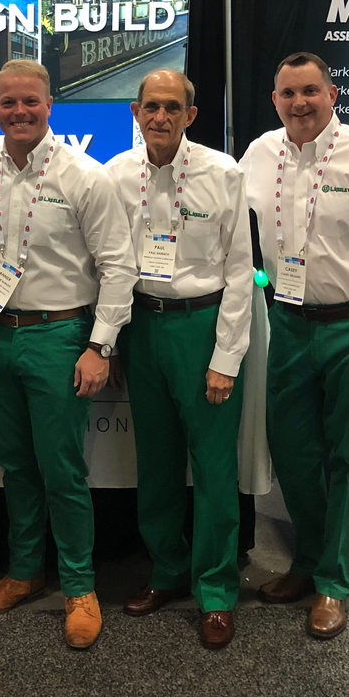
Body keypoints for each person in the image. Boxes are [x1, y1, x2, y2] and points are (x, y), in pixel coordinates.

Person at [0, 60, 135, 649]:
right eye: (8, 103)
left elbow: (117, 266)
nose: (20, 112)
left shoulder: (86, 176)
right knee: (15, 465)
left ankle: (80, 587)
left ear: (50, 104)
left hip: (60, 337)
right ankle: (25, 573)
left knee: (62, 470)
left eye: (30, 101)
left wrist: (98, 345)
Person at [241, 52, 349, 639]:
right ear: (275, 100)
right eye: (288, 93)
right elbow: (239, 238)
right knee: (292, 455)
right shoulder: (258, 156)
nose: (300, 103)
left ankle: (335, 583)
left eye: (310, 91)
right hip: (286, 325)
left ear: (332, 93)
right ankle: (309, 561)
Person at [105, 69, 252, 649]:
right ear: (136, 113)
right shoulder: (116, 175)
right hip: (143, 327)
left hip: (202, 327)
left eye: (172, 107)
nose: (159, 117)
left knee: (214, 470)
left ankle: (215, 590)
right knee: (157, 462)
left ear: (190, 115)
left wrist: (226, 357)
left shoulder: (223, 172)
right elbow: (111, 263)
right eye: (150, 107)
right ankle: (167, 571)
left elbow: (241, 271)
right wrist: (111, 338)